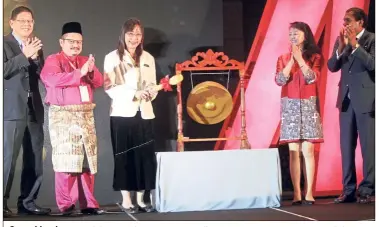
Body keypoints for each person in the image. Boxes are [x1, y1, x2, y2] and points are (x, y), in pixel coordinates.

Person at [40, 22, 105, 215]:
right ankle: (66, 204)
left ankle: (89, 204)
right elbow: (50, 80)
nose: (75, 45)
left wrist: (90, 71)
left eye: (79, 42)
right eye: (71, 41)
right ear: (62, 42)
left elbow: (99, 81)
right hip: (64, 117)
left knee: (86, 161)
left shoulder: (85, 60)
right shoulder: (54, 59)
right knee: (66, 161)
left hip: (85, 115)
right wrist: (79, 73)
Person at [104, 18, 158, 214]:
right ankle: (127, 199)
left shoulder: (148, 58)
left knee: (145, 157)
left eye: (137, 34)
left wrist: (152, 92)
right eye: (130, 34)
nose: (134, 38)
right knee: (124, 156)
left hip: (145, 113)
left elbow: (152, 83)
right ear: (123, 35)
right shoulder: (112, 58)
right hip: (122, 113)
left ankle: (142, 199)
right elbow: (109, 87)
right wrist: (133, 94)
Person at [3, 6, 51, 216]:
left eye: (30, 21)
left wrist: (36, 59)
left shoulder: (35, 45)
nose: (27, 24)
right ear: (12, 23)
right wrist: (24, 55)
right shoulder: (4, 43)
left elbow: (41, 74)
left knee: (34, 157)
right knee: (7, 158)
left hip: (34, 107)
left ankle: (28, 202)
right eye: (22, 21)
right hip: (12, 109)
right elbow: (4, 71)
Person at [327, 7, 375, 204]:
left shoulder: (372, 39)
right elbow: (332, 66)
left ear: (360, 22)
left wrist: (355, 45)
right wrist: (340, 48)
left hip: (366, 99)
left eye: (348, 21)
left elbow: (373, 65)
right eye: (344, 21)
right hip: (345, 101)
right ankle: (348, 190)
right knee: (346, 146)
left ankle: (367, 190)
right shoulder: (342, 40)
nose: (345, 25)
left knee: (369, 147)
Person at [275, 22, 323, 205]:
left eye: (297, 33)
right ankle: (296, 193)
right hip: (290, 107)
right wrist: (291, 61)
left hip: (309, 105)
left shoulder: (315, 57)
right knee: (293, 151)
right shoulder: (282, 58)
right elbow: (279, 80)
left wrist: (301, 60)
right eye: (291, 34)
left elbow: (312, 78)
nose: (293, 36)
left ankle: (309, 192)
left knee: (308, 150)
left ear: (305, 35)